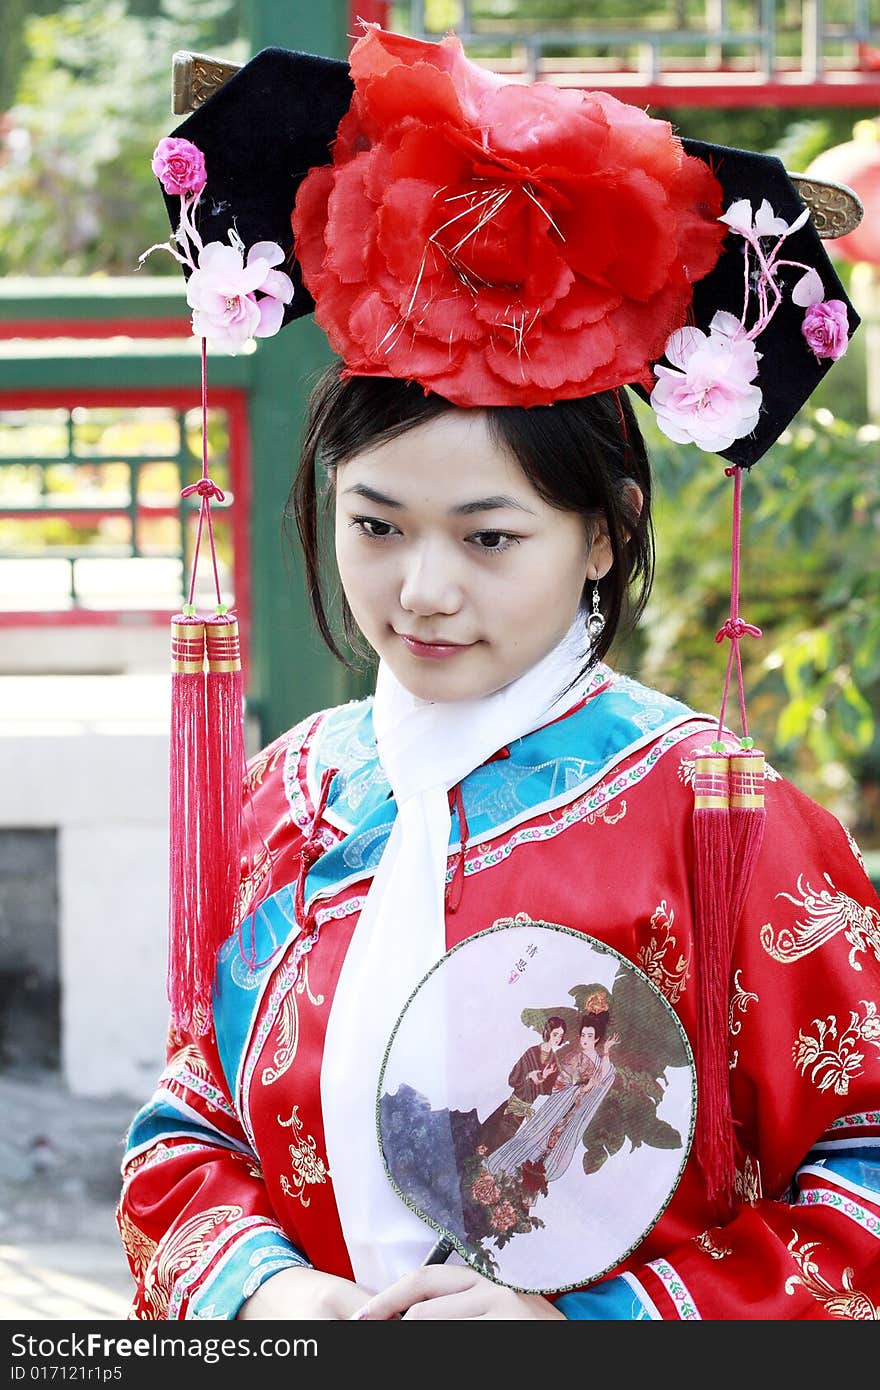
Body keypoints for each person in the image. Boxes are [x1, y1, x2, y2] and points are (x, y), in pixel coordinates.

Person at [117, 26, 880, 1320]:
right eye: (376, 524)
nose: (420, 589)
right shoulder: (293, 795)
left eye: (487, 536)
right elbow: (191, 1122)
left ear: (605, 533)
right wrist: (269, 1296)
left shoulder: (720, 818)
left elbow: (861, 1169)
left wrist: (581, 1319)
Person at [485, 1011, 619, 1184]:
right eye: (583, 1034)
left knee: (552, 1149)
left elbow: (606, 1076)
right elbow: (558, 1086)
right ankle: (507, 1172)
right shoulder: (574, 1057)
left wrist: (607, 1051)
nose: (584, 1039)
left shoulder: (599, 1061)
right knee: (535, 1140)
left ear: (597, 1038)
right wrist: (581, 1089)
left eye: (590, 1035)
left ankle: (527, 1182)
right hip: (557, 1109)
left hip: (573, 1114)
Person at [476, 1016, 567, 1155]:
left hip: (525, 1110)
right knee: (489, 1139)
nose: (557, 1039)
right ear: (548, 1032)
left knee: (503, 1145)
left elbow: (548, 1090)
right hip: (513, 1104)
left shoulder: (553, 1061)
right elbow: (513, 1079)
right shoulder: (532, 1052)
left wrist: (547, 1078)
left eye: (560, 1036)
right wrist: (531, 1076)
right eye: (555, 1034)